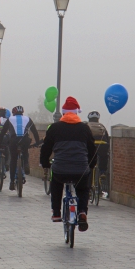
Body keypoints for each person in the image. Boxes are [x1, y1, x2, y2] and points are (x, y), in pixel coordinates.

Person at [40, 96, 96, 232]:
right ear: (76, 113)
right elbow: (92, 150)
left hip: (60, 169)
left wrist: (45, 163)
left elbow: (45, 148)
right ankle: (82, 212)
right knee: (83, 189)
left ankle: (56, 212)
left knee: (56, 183)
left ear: (64, 113)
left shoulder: (54, 128)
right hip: (80, 168)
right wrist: (91, 165)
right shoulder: (84, 128)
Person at [0, 105, 40, 191]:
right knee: (25, 152)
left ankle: (12, 182)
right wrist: (37, 142)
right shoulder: (28, 119)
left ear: (13, 113)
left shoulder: (10, 119)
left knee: (13, 160)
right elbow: (35, 132)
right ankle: (26, 164)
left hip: (13, 141)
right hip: (25, 140)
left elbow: (3, 133)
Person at [86, 111, 110, 185]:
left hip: (91, 145)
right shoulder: (101, 126)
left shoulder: (86, 125)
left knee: (88, 161)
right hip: (102, 145)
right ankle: (102, 172)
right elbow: (107, 138)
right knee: (104, 157)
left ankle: (88, 186)